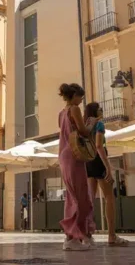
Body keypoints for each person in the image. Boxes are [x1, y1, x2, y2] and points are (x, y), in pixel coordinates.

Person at [83, 102, 128, 247]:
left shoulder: (86, 126)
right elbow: (98, 146)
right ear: (95, 112)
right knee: (109, 197)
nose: (102, 110)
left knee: (90, 199)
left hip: (87, 161)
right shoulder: (100, 125)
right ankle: (111, 235)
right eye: (100, 109)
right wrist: (108, 167)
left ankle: (86, 234)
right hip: (98, 161)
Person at [57, 83, 94, 251]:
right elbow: (82, 131)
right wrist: (92, 124)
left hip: (64, 154)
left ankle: (73, 236)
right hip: (74, 154)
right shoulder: (74, 109)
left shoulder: (61, 113)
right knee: (80, 195)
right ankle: (74, 237)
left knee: (72, 196)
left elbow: (66, 132)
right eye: (80, 96)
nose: (82, 100)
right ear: (74, 96)